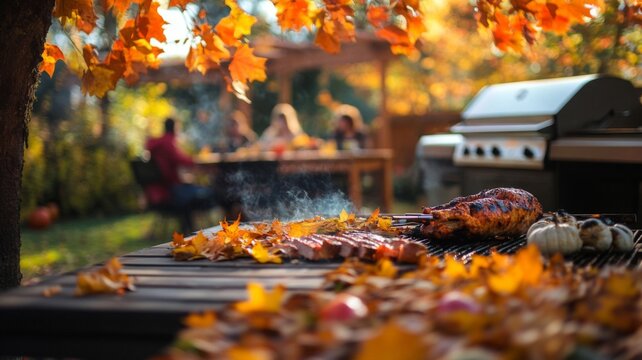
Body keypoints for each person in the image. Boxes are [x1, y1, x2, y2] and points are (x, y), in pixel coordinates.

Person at [145, 118, 215, 233]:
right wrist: (197, 161)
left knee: (193, 189)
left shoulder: (157, 144)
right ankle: (194, 230)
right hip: (170, 191)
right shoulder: (168, 143)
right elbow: (181, 159)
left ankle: (189, 228)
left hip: (159, 191)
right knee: (207, 193)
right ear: (175, 128)